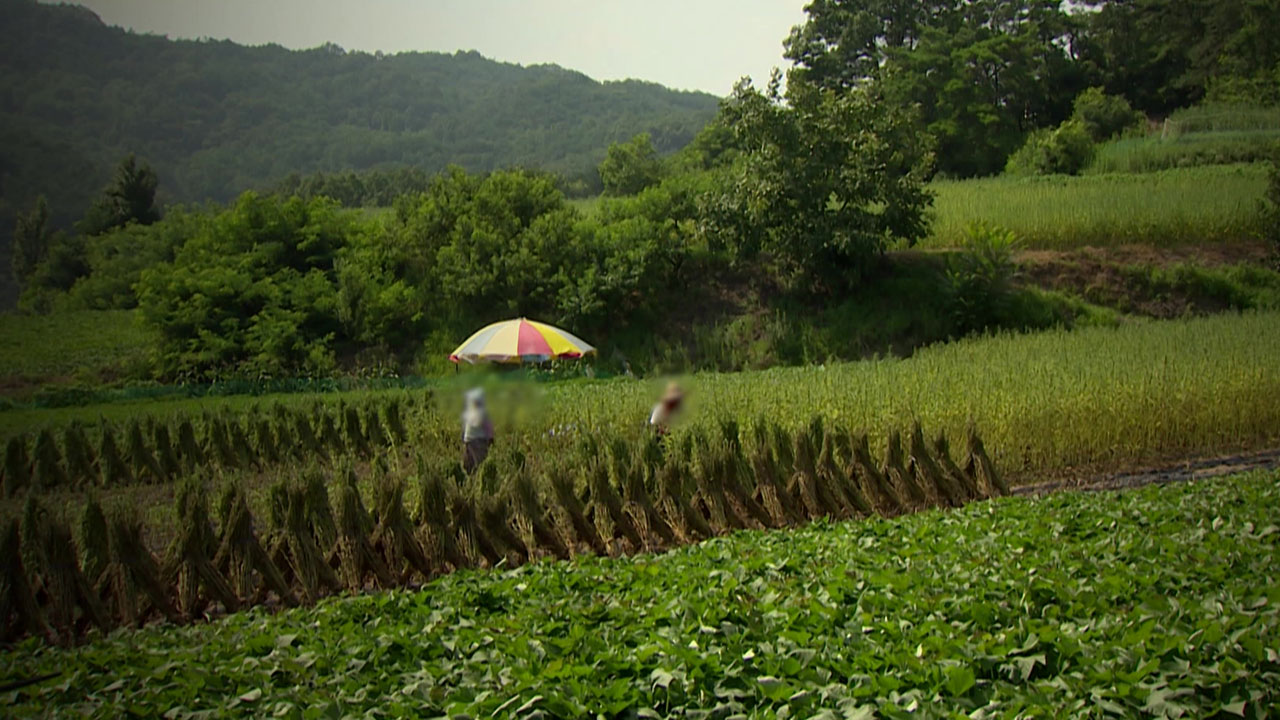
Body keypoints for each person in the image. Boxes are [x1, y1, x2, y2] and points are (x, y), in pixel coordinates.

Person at [461, 388, 494, 471]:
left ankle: (470, 480)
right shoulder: (483, 412)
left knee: (469, 464)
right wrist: (491, 438)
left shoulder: (468, 412)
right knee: (481, 464)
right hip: (479, 440)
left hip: (468, 440)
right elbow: (488, 427)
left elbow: (464, 427)